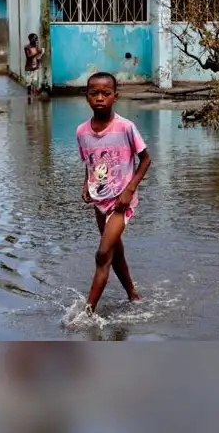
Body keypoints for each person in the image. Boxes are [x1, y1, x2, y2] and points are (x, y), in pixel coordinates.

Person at [77, 72, 151, 315]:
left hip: (121, 202)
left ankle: (87, 312)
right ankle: (133, 294)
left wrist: (129, 190)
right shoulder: (82, 132)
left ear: (115, 97)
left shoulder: (126, 127)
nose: (100, 98)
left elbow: (146, 160)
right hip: (99, 200)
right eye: (94, 93)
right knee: (114, 252)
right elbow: (89, 162)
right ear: (86, 96)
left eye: (105, 93)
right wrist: (86, 184)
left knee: (102, 253)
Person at [23, 33, 44, 102]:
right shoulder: (27, 47)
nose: (36, 40)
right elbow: (28, 56)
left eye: (37, 38)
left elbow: (38, 58)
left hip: (35, 68)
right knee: (29, 83)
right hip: (28, 68)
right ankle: (29, 98)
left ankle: (34, 96)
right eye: (35, 38)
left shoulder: (37, 48)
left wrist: (41, 54)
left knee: (35, 82)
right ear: (30, 39)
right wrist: (38, 52)